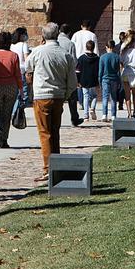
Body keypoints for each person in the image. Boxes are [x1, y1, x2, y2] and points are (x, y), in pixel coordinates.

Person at [25, 23, 78, 182]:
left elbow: (28, 67)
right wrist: (66, 95)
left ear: (43, 36)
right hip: (58, 96)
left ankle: (48, 168)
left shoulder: (38, 52)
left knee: (44, 132)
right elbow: (72, 81)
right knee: (55, 131)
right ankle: (57, 165)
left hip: (42, 95)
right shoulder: (65, 54)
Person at [0, 32, 22, 148]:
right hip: (11, 85)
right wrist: (21, 88)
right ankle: (4, 139)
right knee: (7, 113)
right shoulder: (14, 56)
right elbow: (17, 74)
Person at [58, 24, 84, 126]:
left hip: (56, 73)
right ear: (69, 33)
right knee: (72, 97)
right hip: (68, 73)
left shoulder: (55, 41)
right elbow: (74, 60)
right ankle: (74, 118)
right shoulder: (70, 44)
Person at [120, 30, 135, 118]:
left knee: (127, 95)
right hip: (134, 73)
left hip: (126, 72)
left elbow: (121, 64)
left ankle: (129, 113)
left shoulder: (123, 51)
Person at [77, 40, 101, 121]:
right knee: (94, 96)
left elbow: (77, 71)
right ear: (94, 48)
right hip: (93, 80)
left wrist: (78, 81)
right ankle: (92, 108)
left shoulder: (81, 58)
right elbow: (99, 70)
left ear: (86, 47)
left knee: (85, 96)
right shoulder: (97, 58)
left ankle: (86, 115)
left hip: (84, 80)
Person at [99, 40, 122, 122]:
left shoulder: (102, 57)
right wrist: (119, 81)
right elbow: (118, 71)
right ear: (114, 47)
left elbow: (100, 71)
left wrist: (100, 81)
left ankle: (104, 115)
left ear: (106, 47)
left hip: (105, 79)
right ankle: (113, 115)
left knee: (105, 97)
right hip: (114, 79)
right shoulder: (117, 57)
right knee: (113, 98)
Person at [10, 27, 31, 106]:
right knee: (23, 90)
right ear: (21, 35)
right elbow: (27, 59)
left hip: (13, 70)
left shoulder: (12, 45)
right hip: (22, 70)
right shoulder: (24, 45)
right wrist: (29, 71)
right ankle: (22, 107)